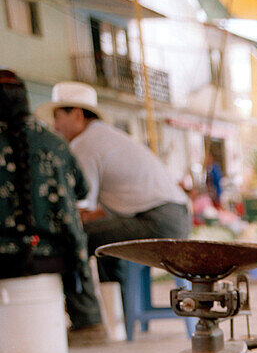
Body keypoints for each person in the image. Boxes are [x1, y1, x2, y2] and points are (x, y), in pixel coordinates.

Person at [36, 82, 190, 309]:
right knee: (104, 244)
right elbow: (100, 209)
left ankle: (86, 317)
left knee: (71, 239)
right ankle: (118, 314)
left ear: (77, 115)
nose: (55, 126)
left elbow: (80, 207)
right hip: (176, 217)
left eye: (58, 117)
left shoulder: (84, 144)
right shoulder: (106, 136)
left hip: (158, 221)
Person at [0, 70, 105, 345]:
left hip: (4, 257)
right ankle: (88, 321)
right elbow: (81, 191)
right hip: (58, 255)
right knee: (74, 235)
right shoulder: (56, 143)